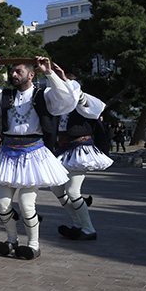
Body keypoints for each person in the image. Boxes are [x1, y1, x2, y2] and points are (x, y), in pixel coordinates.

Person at [0, 57, 75, 261]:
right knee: (2, 204)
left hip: (33, 155)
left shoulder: (44, 94)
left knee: (26, 203)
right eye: (12, 71)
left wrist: (50, 73)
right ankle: (11, 240)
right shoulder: (4, 95)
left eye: (18, 71)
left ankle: (33, 245)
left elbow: (66, 98)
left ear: (31, 75)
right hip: (8, 153)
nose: (13, 74)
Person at [50, 68, 113, 240]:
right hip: (63, 150)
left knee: (72, 191)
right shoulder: (59, 104)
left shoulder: (82, 100)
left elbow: (85, 101)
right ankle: (77, 223)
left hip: (80, 150)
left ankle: (89, 229)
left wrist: (66, 81)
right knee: (56, 189)